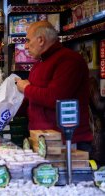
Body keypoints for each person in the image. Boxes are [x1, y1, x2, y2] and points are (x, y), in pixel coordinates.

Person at [15, 21, 93, 151]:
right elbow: (32, 100)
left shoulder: (69, 60)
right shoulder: (39, 64)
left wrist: (26, 88)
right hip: (41, 140)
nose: (26, 46)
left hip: (67, 143)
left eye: (28, 41)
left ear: (40, 40)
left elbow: (55, 98)